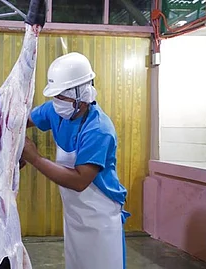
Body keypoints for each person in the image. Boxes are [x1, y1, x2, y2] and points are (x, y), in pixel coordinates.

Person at [21, 52, 130, 269]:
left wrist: (34, 158)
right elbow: (21, 122)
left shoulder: (99, 129)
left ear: (83, 94)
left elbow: (80, 181)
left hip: (101, 216)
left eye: (62, 97)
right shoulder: (56, 111)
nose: (56, 102)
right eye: (55, 96)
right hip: (75, 215)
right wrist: (14, 150)